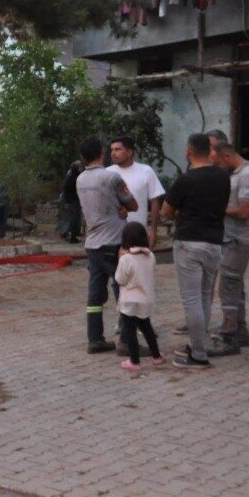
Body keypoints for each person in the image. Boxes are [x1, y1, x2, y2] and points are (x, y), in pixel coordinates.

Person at [161, 133, 230, 369]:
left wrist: (183, 211)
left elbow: (166, 211)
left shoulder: (185, 180)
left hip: (189, 243)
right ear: (208, 151)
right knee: (204, 298)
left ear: (189, 151)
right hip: (214, 243)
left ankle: (199, 353)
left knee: (191, 300)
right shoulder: (223, 177)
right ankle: (199, 345)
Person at [76, 136, 138, 353]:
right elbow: (132, 203)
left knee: (95, 294)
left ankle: (95, 338)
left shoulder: (80, 180)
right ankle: (126, 341)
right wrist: (121, 209)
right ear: (101, 152)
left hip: (92, 244)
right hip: (113, 241)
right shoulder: (112, 178)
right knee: (124, 288)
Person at [208, 140, 249, 355]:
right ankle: (240, 331)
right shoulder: (237, 173)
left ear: (227, 157)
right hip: (233, 238)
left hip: (240, 240)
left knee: (228, 285)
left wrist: (219, 208)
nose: (219, 166)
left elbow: (244, 211)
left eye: (219, 162)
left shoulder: (247, 175)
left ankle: (230, 336)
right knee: (236, 283)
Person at [115, 221, 163, 372]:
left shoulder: (126, 259)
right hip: (146, 299)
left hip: (129, 301)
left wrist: (121, 258)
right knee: (147, 327)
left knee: (130, 331)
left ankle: (134, 361)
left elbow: (119, 279)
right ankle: (156, 356)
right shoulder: (151, 256)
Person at [107, 135, 165, 248]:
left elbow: (155, 201)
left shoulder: (146, 171)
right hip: (112, 233)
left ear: (129, 152)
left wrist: (153, 231)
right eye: (112, 150)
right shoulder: (106, 173)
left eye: (117, 149)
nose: (113, 153)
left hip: (138, 233)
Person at [58, 160, 84, 242]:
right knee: (71, 219)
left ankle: (73, 236)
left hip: (75, 200)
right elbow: (66, 189)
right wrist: (66, 202)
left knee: (75, 219)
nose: (80, 168)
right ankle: (70, 236)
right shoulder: (71, 177)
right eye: (78, 167)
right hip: (70, 201)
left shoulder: (77, 176)